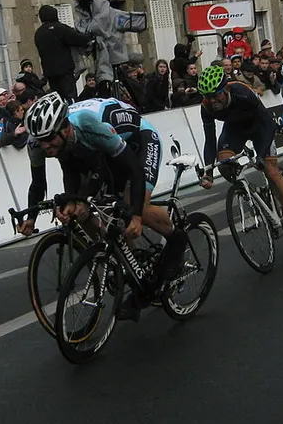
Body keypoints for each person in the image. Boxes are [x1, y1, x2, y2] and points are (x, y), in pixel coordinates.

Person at [21, 93, 185, 321]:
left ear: (65, 127)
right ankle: (131, 265)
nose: (45, 145)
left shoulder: (88, 125)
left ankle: (177, 238)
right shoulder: (36, 142)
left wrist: (135, 215)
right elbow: (39, 182)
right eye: (41, 140)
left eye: (49, 138)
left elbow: (133, 170)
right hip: (96, 152)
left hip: (139, 140)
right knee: (86, 210)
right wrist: (31, 217)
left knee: (134, 205)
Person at [196, 65, 283, 245]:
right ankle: (251, 193)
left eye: (216, 95)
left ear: (226, 90)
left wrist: (261, 156)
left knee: (271, 171)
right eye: (208, 96)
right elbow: (210, 141)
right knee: (224, 164)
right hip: (234, 131)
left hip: (259, 128)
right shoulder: (206, 107)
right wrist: (208, 171)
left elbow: (269, 124)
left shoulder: (242, 93)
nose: (212, 100)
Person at [34, 4, 93, 101]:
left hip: (50, 72)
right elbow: (76, 38)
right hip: (64, 71)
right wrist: (89, 35)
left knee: (58, 99)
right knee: (70, 98)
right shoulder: (60, 28)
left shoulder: (38, 33)